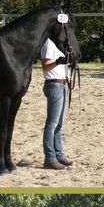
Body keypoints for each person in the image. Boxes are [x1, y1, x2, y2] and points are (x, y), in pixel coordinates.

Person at [40, 25, 72, 171]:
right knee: (52, 124)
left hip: (62, 83)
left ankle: (59, 154)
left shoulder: (61, 44)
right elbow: (46, 66)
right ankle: (50, 158)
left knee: (59, 124)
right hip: (54, 85)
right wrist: (58, 62)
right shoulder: (48, 44)